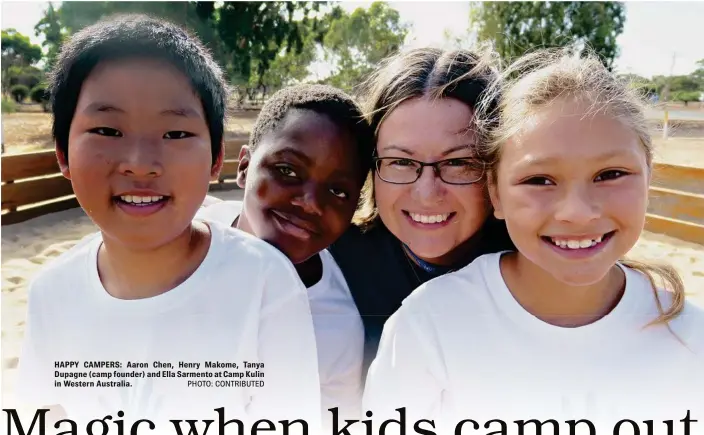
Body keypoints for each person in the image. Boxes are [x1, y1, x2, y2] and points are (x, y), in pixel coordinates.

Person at [363, 49, 704, 433]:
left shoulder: (690, 339)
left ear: (649, 175)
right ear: (496, 191)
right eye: (539, 180)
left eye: (610, 174)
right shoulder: (426, 326)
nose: (577, 212)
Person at [15, 15, 321, 431]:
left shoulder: (265, 282)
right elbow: (41, 412)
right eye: (107, 129)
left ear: (216, 161)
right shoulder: (51, 293)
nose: (141, 165)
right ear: (63, 155)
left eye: (175, 134)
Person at [327, 47, 514, 373]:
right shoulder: (330, 259)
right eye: (401, 161)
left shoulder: (536, 270)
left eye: (458, 163)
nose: (427, 193)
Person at [196, 84, 374, 422]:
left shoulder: (335, 327)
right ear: (245, 167)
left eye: (337, 191)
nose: (309, 202)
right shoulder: (188, 232)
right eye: (287, 171)